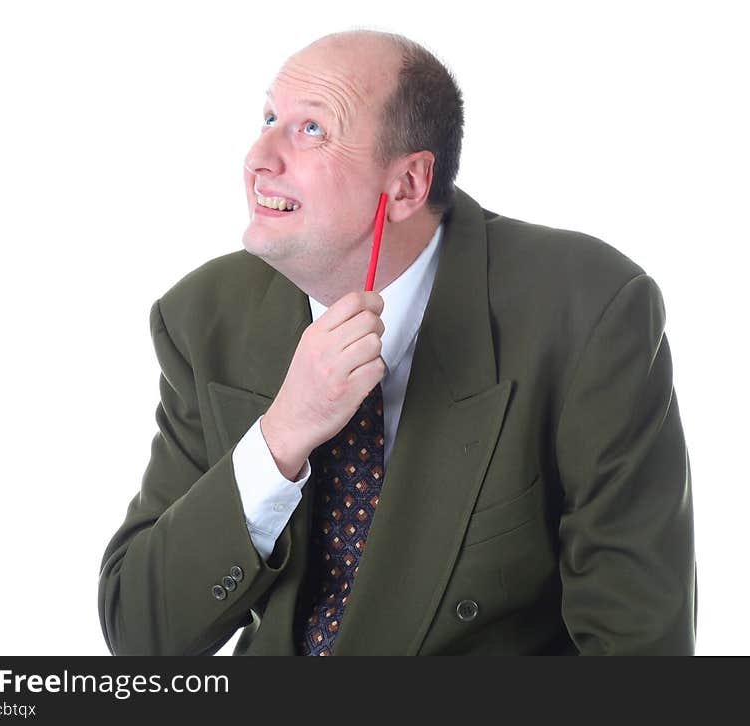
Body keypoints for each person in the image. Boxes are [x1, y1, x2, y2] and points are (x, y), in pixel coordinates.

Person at [97, 28, 696, 656]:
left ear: (407, 185)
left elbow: (640, 648)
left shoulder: (587, 308)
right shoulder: (203, 315)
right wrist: (280, 438)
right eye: (269, 116)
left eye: (310, 130)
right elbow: (142, 636)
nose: (258, 157)